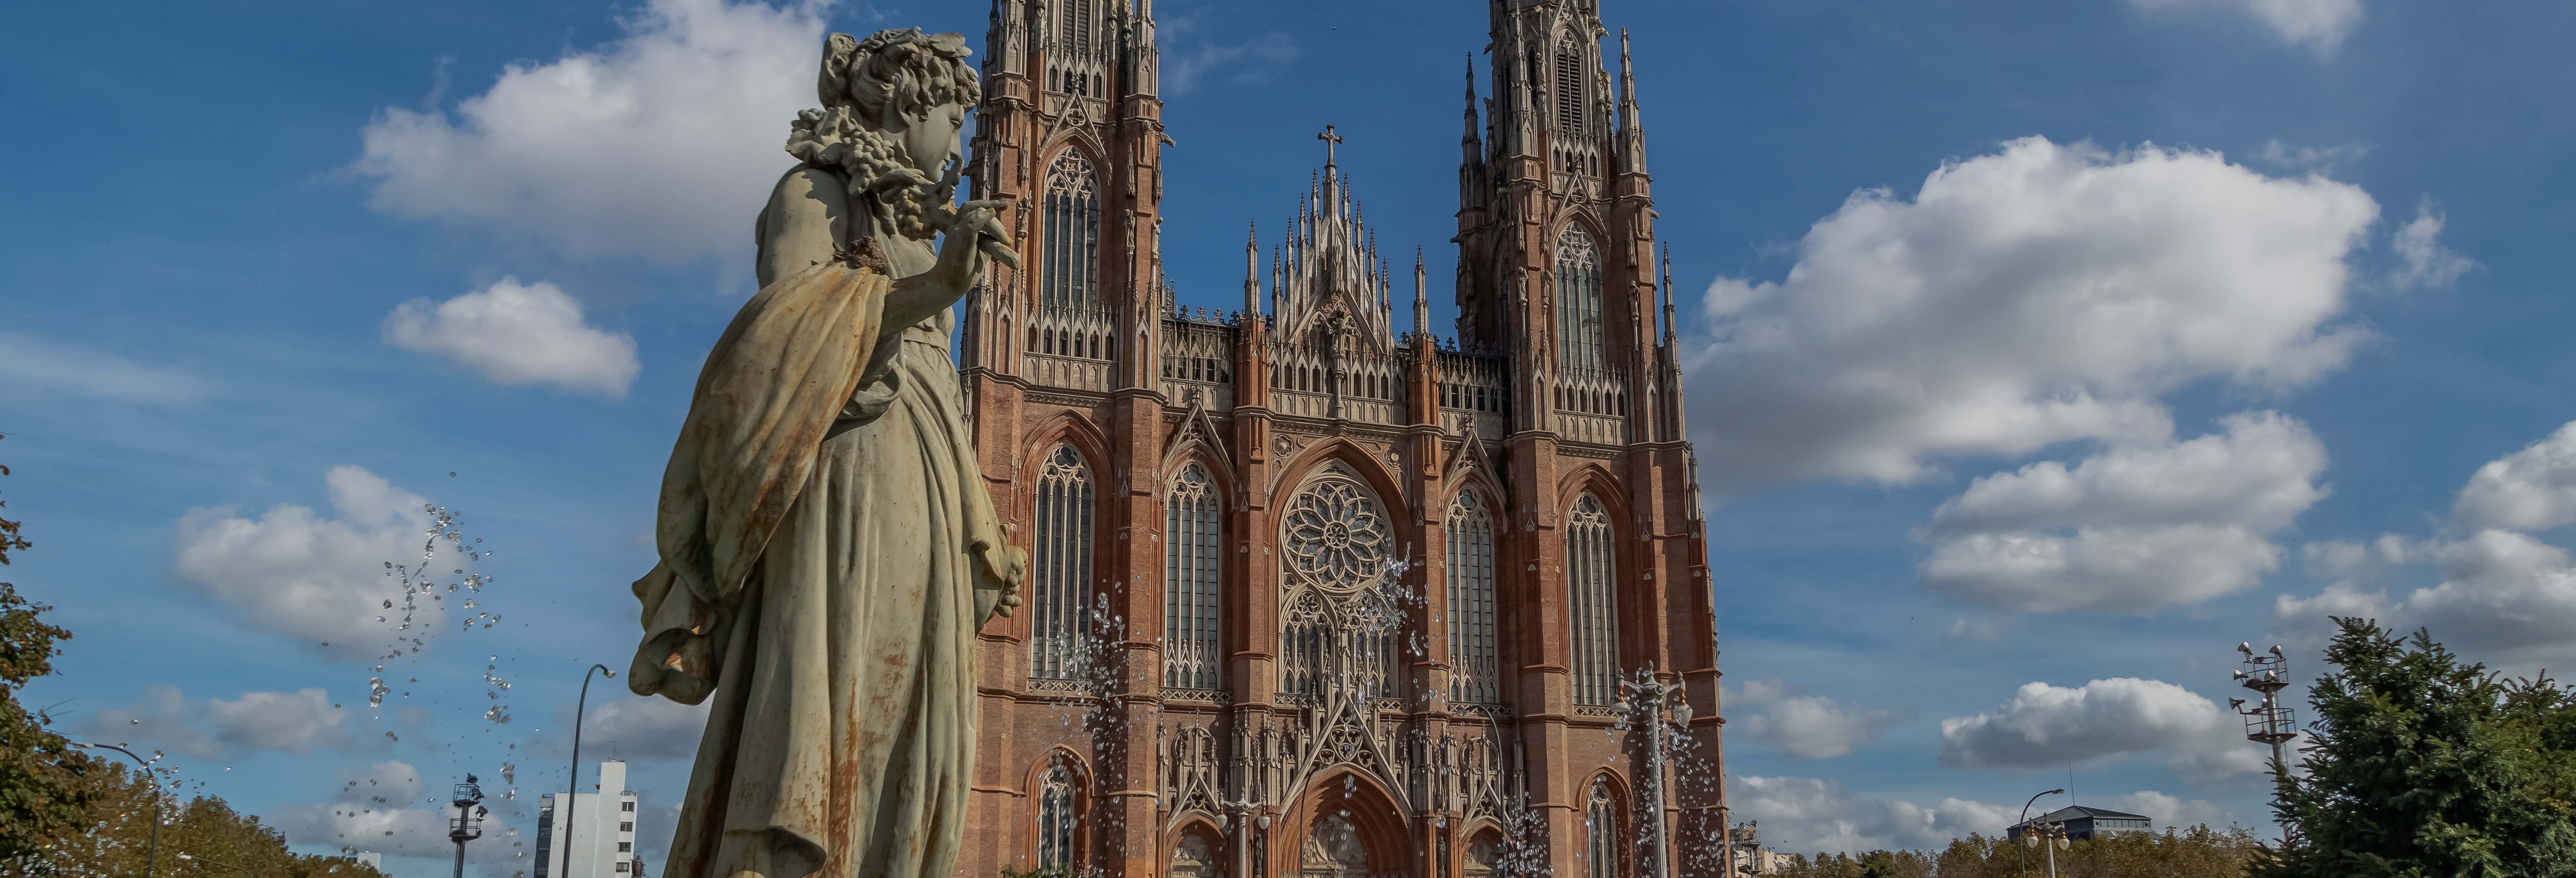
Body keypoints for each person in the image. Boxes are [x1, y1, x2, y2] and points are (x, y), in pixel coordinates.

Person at [625, 27, 1024, 878]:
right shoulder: (814, 191)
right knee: (831, 688)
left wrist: (979, 517)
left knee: (909, 706)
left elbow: (939, 390)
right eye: (955, 118)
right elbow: (782, 336)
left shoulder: (917, 224)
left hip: (919, 475)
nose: (960, 141)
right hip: (847, 468)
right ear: (902, 102)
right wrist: (936, 289)